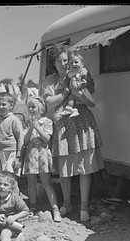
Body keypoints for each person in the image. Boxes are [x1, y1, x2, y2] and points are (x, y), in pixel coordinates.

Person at [42, 44, 104, 222]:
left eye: (66, 60)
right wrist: (68, 90)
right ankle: (67, 204)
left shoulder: (81, 75)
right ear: (54, 63)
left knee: (86, 167)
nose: (64, 64)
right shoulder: (51, 80)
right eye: (60, 61)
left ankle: (84, 207)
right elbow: (50, 103)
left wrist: (80, 94)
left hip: (83, 121)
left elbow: (91, 103)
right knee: (65, 169)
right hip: (63, 125)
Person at [23, 95, 61, 223]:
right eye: (29, 107)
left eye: (33, 106)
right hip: (31, 154)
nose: (31, 109)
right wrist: (31, 127)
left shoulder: (47, 121)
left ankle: (55, 209)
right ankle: (32, 207)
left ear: (41, 109)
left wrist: (37, 127)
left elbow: (47, 138)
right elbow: (25, 140)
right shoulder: (28, 122)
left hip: (43, 154)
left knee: (46, 183)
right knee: (31, 182)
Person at [0, 92, 24, 194]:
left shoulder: (14, 120)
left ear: (11, 105)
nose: (1, 107)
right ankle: (5, 204)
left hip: (11, 152)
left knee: (11, 180)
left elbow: (20, 138)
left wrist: (18, 157)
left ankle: (16, 203)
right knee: (1, 180)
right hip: (0, 153)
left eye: (3, 104)